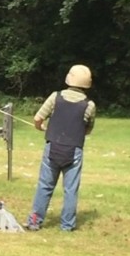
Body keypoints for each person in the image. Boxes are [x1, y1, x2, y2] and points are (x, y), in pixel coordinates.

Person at [25, 64, 96, 232]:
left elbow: (38, 118)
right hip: (74, 150)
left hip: (53, 147)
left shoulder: (55, 97)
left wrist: (40, 127)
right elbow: (88, 129)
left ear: (69, 78)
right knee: (70, 190)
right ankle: (67, 225)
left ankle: (34, 221)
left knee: (45, 185)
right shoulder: (90, 105)